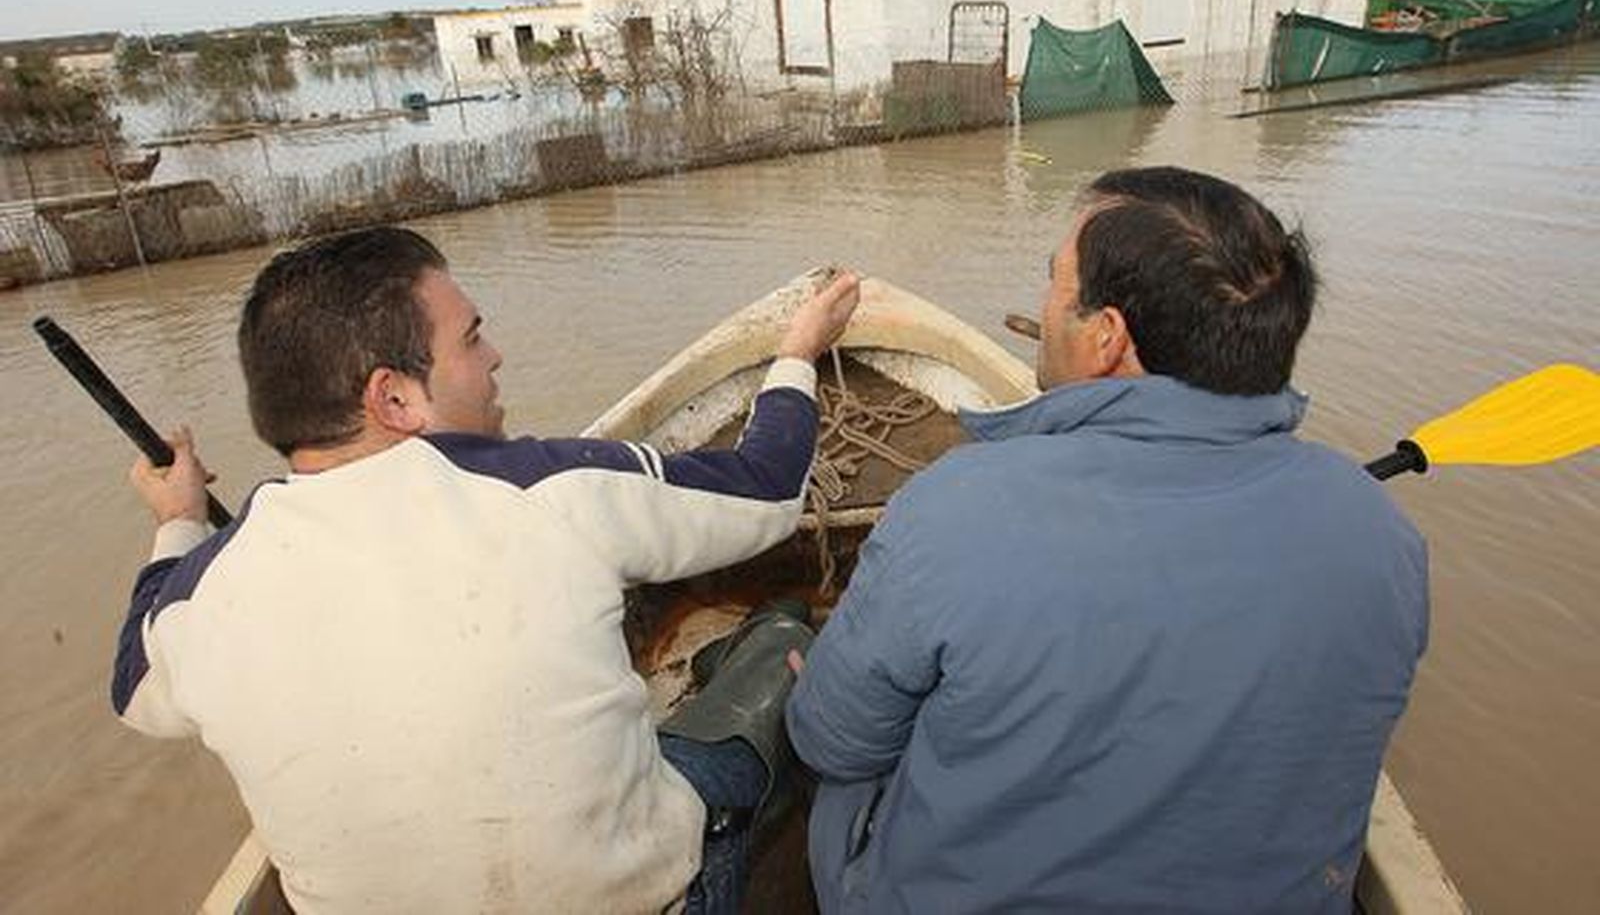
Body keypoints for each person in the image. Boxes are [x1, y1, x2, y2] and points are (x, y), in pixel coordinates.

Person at [112, 225, 859, 914]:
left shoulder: (205, 588)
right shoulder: (549, 485)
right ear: (393, 396)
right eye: (470, 338)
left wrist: (178, 519)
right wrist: (795, 355)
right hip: (657, 899)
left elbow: (133, 687)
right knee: (785, 657)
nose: (494, 354)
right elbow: (768, 488)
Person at [787, 167, 1429, 914]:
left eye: (1054, 282)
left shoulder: (955, 509)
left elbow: (834, 743)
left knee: (817, 716)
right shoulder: (1380, 532)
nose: (1045, 303)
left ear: (1105, 337)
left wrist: (814, 693)